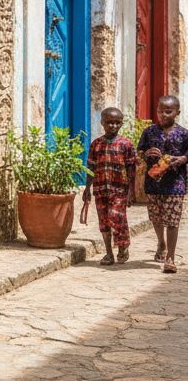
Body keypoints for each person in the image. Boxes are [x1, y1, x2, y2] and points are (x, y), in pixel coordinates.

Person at [137, 95, 188, 274]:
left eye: (168, 111)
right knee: (156, 217)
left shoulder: (184, 134)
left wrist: (182, 159)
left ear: (177, 112)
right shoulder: (149, 132)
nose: (163, 115)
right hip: (153, 182)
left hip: (175, 183)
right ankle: (161, 243)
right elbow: (139, 152)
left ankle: (170, 258)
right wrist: (146, 154)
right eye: (160, 111)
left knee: (173, 220)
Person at [83, 107, 138, 265]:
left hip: (119, 190)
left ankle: (122, 245)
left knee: (117, 216)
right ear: (102, 122)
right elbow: (91, 167)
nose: (113, 125)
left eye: (116, 122)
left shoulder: (126, 144)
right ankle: (108, 253)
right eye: (109, 122)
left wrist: (131, 191)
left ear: (121, 123)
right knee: (104, 221)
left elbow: (131, 169)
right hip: (100, 189)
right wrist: (87, 188)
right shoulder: (96, 144)